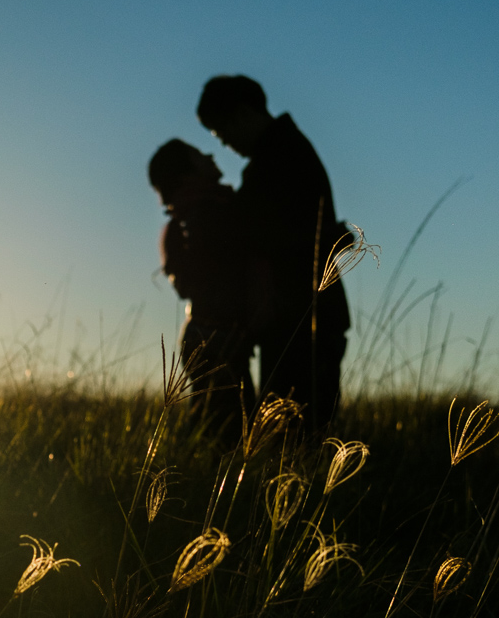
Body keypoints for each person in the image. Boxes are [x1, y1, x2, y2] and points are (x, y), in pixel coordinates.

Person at [196, 75, 351, 431]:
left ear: (242, 114)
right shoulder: (284, 152)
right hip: (303, 314)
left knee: (295, 436)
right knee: (295, 432)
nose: (226, 144)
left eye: (222, 132)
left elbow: (254, 234)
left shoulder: (279, 158)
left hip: (300, 316)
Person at [148, 138, 258, 433]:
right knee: (225, 429)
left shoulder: (189, 215)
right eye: (199, 154)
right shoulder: (208, 213)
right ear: (188, 175)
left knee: (215, 421)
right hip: (216, 333)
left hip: (206, 331)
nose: (209, 153)